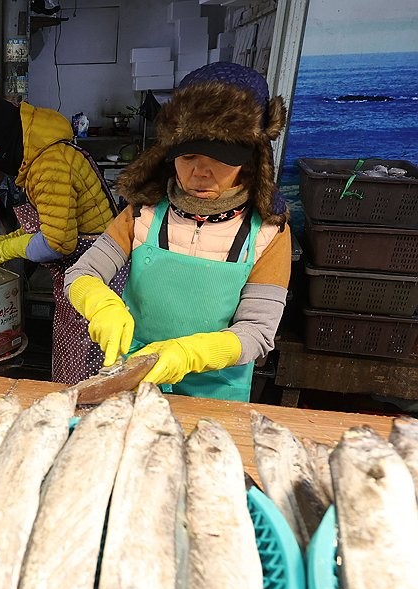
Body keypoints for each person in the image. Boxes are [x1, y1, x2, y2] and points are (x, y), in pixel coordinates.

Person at [65, 62, 291, 402]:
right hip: (138, 378)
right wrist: (99, 304)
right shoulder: (143, 211)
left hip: (216, 391)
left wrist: (189, 354)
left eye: (221, 158)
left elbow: (257, 331)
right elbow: (82, 272)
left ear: (250, 159)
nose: (201, 172)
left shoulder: (268, 232)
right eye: (188, 156)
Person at [0, 97, 117, 384]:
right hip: (82, 272)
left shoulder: (49, 164)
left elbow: (59, 241)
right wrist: (11, 238)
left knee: (89, 371)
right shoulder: (42, 155)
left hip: (99, 277)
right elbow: (54, 221)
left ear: (9, 136)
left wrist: (11, 247)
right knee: (70, 357)